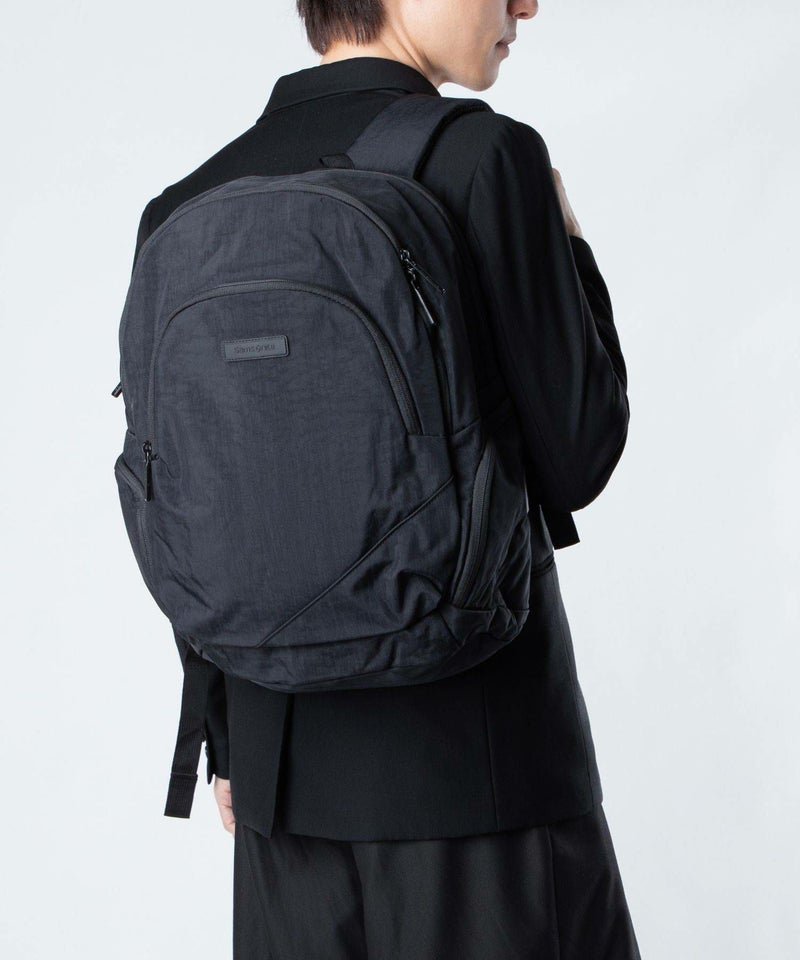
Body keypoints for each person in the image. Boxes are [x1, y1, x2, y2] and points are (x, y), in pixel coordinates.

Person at [132, 1, 640, 957]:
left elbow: (194, 498)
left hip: (282, 793)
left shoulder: (189, 202)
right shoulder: (484, 159)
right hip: (480, 776)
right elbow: (580, 454)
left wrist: (228, 741)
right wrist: (570, 246)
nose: (525, 5)